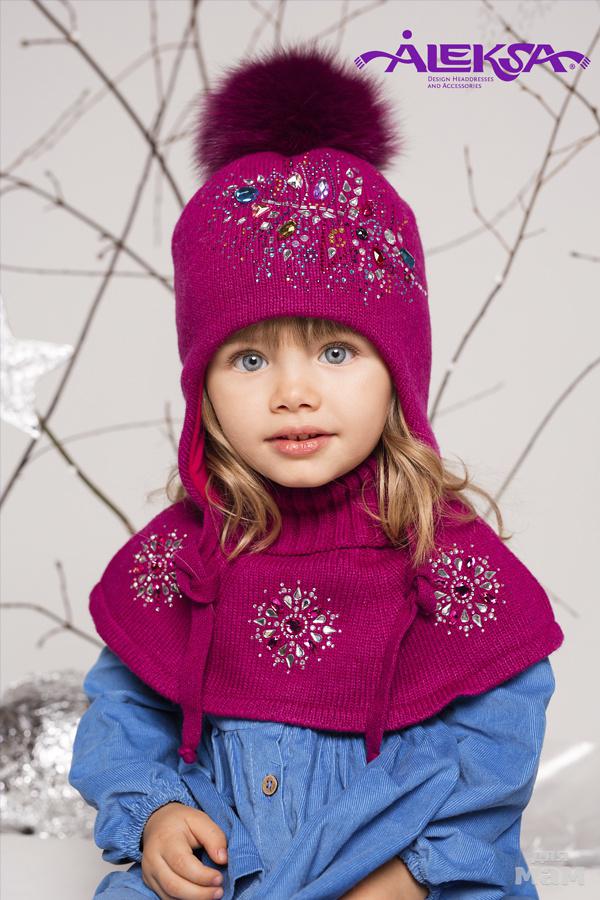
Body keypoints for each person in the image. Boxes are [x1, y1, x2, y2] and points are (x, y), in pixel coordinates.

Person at [68, 42, 564, 900]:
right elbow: (125, 711)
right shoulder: (184, 557)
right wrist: (156, 813)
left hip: (395, 879)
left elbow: (499, 737)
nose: (293, 393)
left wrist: (416, 871)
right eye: (250, 360)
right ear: (201, 385)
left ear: (398, 371)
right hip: (228, 872)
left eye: (336, 351)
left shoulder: (442, 556)